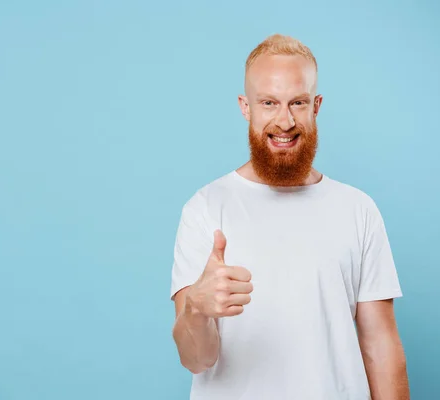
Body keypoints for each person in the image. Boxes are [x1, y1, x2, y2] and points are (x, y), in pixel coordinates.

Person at [170, 34, 409, 400]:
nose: (284, 121)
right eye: (269, 102)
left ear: (316, 105)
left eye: (297, 102)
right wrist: (197, 310)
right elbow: (196, 359)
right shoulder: (205, 208)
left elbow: (382, 348)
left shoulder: (358, 209)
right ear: (245, 106)